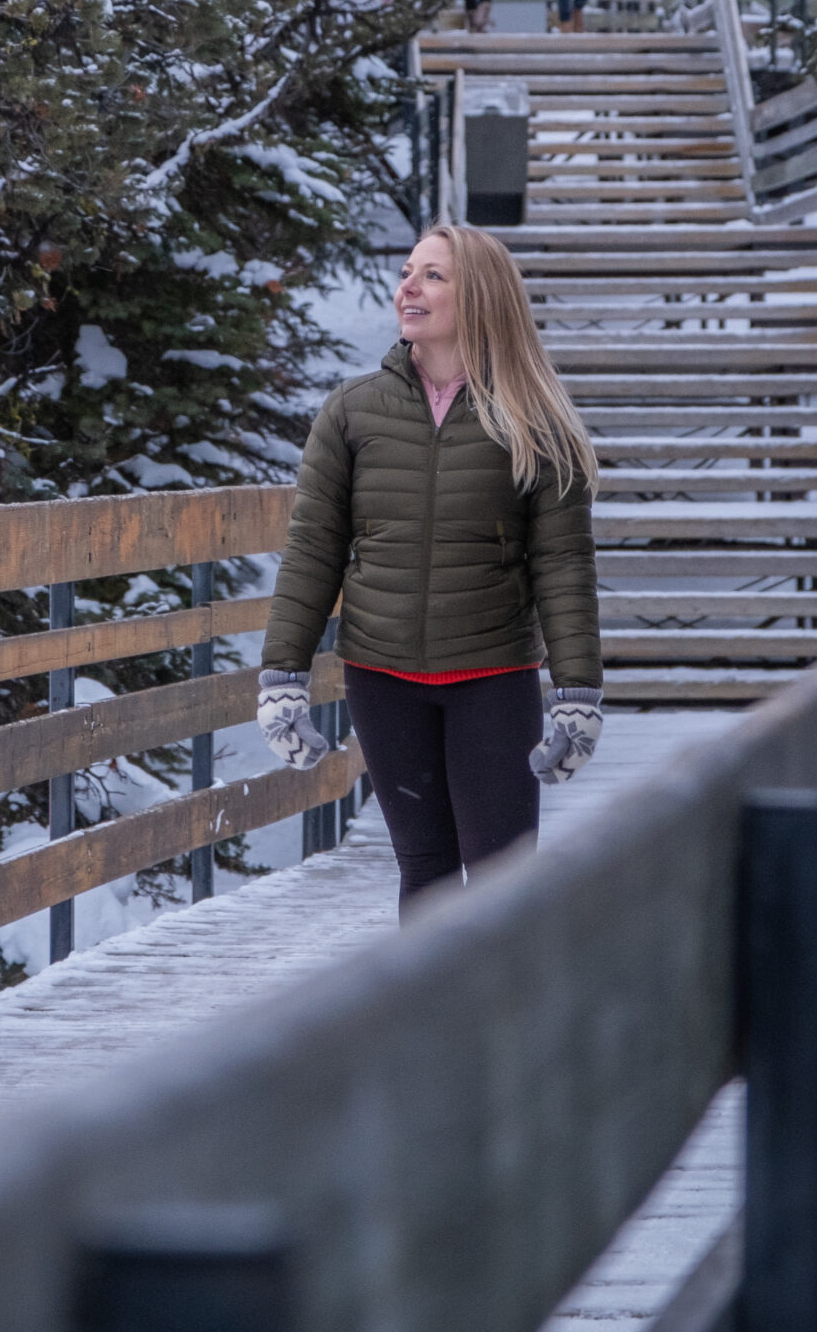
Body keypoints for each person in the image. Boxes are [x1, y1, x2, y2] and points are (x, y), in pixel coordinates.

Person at [256, 224, 604, 914]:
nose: (407, 287)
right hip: (383, 681)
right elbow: (313, 549)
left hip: (491, 679)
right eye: (407, 271)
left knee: (503, 887)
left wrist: (576, 693)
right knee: (425, 874)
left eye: (433, 275)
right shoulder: (353, 413)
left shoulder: (534, 421)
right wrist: (282, 677)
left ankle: (511, 1024)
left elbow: (562, 564)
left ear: (480, 297)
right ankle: (432, 1028)